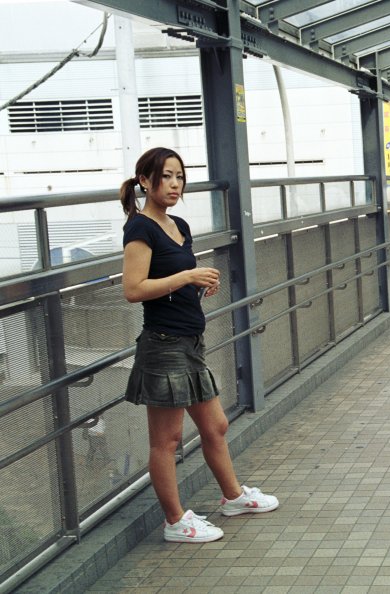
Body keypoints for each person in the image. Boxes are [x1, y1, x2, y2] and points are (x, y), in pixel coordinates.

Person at [121, 147, 278, 543]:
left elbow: (176, 277)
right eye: (166, 176)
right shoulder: (141, 228)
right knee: (167, 440)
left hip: (189, 342)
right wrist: (188, 277)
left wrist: (200, 284)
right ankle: (175, 522)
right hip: (163, 345)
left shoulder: (180, 225)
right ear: (145, 181)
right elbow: (133, 289)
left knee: (216, 425)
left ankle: (233, 497)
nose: (175, 184)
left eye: (179, 177)